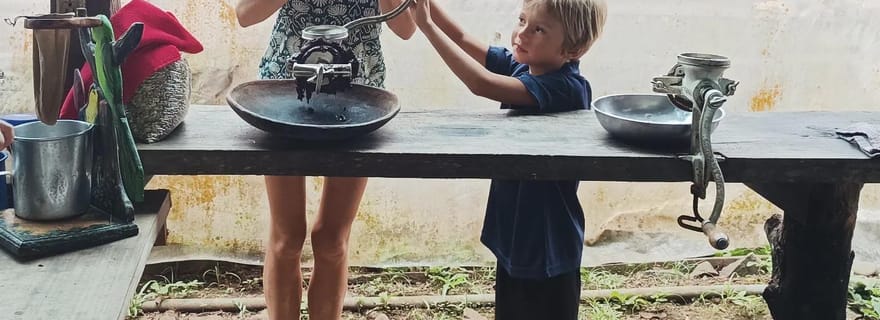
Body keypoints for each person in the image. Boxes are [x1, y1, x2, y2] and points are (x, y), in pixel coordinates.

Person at [411, 0, 607, 318]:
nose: (521, 34)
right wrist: (426, 5)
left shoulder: (565, 88)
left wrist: (427, 27)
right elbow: (460, 37)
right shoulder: (526, 64)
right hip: (518, 230)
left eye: (539, 29)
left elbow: (481, 83)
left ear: (574, 48)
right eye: (521, 20)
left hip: (547, 242)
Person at [234, 1, 415, 319]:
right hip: (284, 93)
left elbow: (406, 28)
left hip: (359, 97)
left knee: (331, 239)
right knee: (287, 237)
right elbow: (245, 14)